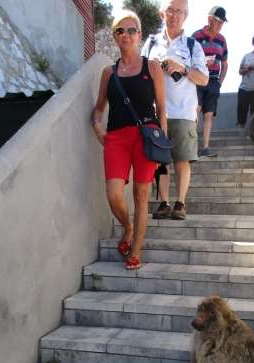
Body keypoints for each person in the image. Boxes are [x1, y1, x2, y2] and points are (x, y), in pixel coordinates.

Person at [91, 10, 166, 270]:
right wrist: (96, 123)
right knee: (113, 196)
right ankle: (127, 226)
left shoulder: (152, 66)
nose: (126, 35)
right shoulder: (107, 73)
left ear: (139, 35)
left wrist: (162, 147)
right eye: (120, 31)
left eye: (131, 30)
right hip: (116, 138)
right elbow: (99, 108)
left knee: (140, 194)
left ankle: (135, 250)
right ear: (114, 36)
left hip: (146, 136)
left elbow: (162, 110)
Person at [141, 0, 208, 220]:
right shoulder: (151, 44)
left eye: (179, 11)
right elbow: (140, 72)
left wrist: (183, 68)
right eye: (170, 10)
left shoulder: (192, 45)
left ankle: (180, 203)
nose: (174, 15)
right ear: (162, 13)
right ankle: (163, 203)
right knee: (160, 160)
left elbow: (204, 79)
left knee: (181, 160)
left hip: (184, 112)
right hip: (157, 111)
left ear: (186, 16)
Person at [192, 6, 228, 157]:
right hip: (198, 80)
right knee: (196, 111)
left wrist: (219, 82)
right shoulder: (196, 36)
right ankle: (191, 147)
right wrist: (202, 61)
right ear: (209, 19)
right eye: (218, 21)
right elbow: (187, 61)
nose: (220, 25)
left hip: (213, 81)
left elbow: (225, 64)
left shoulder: (222, 40)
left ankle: (205, 147)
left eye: (222, 23)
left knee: (208, 114)